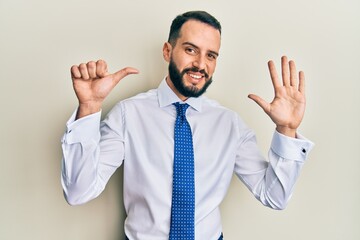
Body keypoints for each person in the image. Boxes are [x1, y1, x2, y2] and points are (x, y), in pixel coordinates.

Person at [61, 10, 313, 240]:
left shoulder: (230, 125)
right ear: (167, 51)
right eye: (191, 50)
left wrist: (287, 130)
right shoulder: (129, 114)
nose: (201, 64)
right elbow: (77, 192)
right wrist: (89, 108)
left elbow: (275, 197)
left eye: (211, 55)